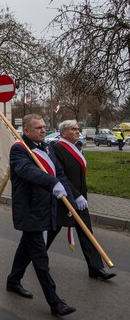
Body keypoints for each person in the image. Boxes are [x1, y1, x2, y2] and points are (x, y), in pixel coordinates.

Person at [6, 114, 77, 316]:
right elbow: (26, 170)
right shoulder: (19, 149)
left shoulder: (47, 147)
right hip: (30, 210)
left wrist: (70, 204)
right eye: (38, 128)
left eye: (44, 127)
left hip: (48, 208)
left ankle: (13, 280)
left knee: (25, 249)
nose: (43, 130)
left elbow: (60, 174)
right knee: (40, 258)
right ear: (26, 130)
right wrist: (51, 183)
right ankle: (55, 303)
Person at [50, 120, 116, 281]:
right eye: (73, 129)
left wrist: (82, 195)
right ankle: (35, 257)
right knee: (52, 230)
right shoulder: (56, 148)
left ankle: (95, 268)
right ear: (64, 133)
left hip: (81, 199)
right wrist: (75, 195)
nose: (78, 131)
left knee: (87, 232)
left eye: (78, 129)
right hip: (65, 198)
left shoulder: (77, 147)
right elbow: (61, 175)